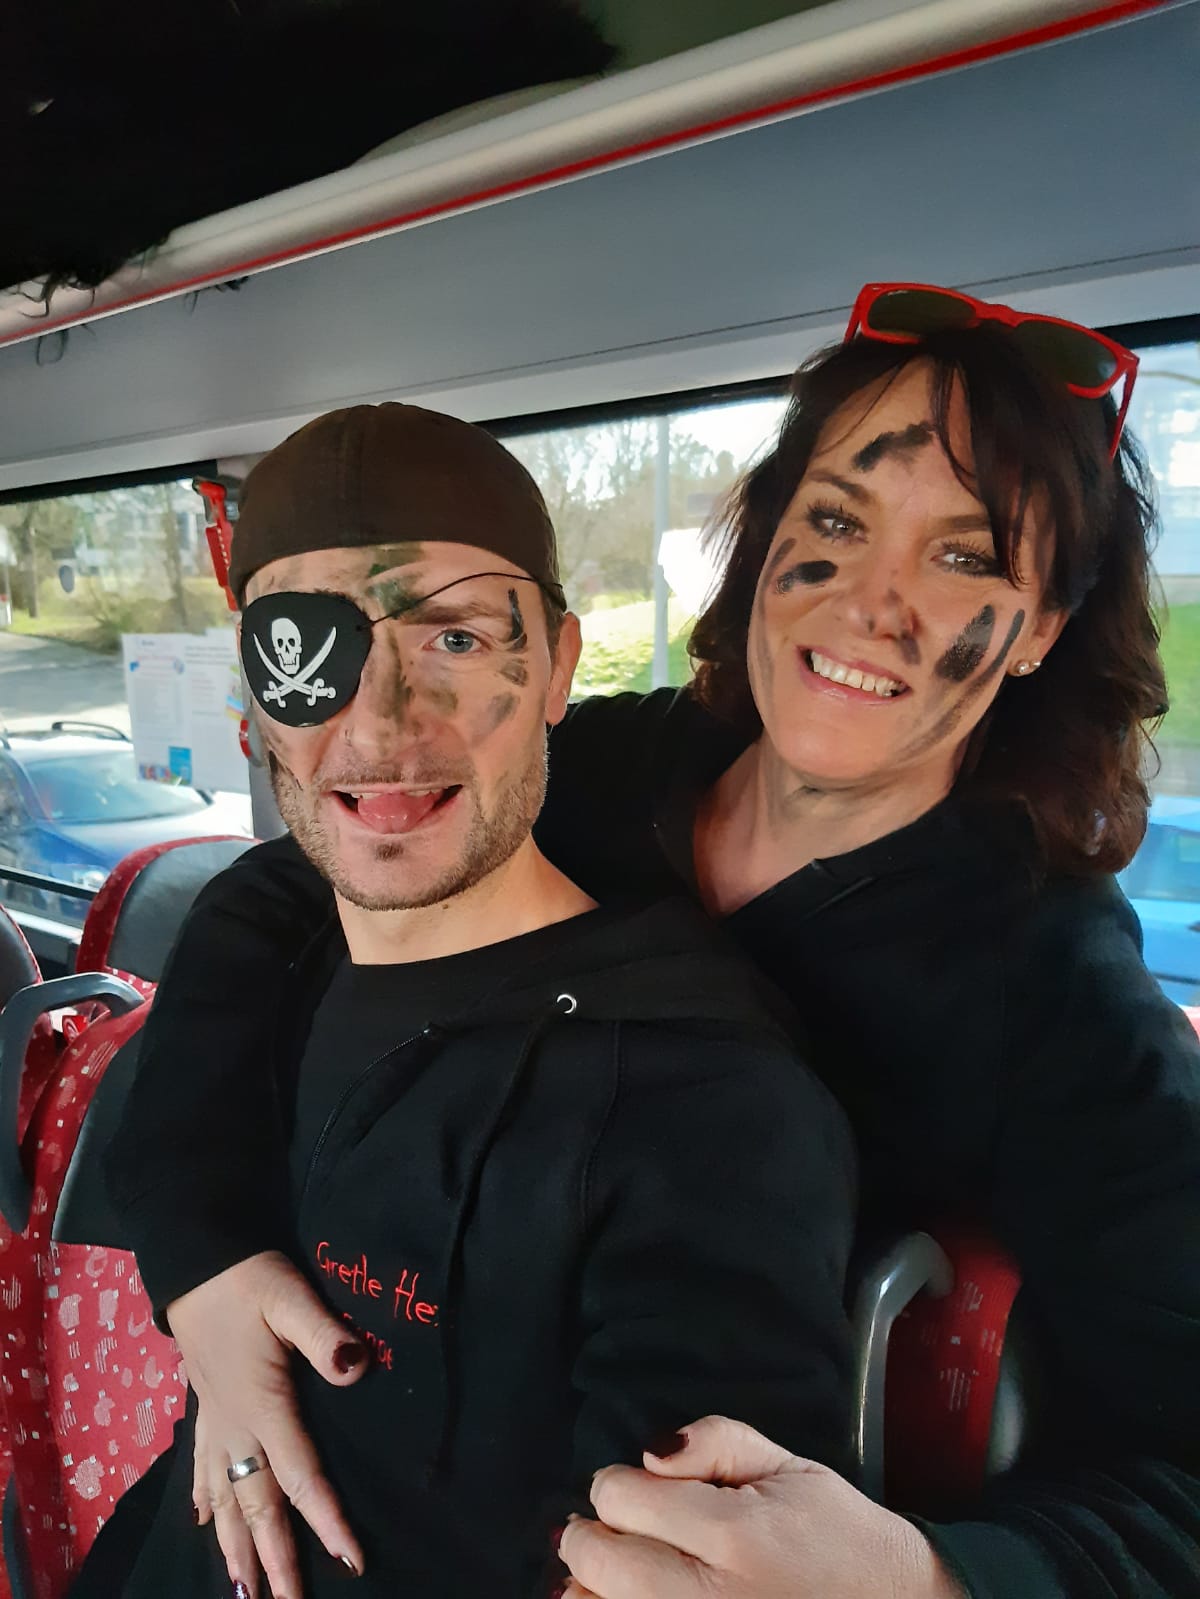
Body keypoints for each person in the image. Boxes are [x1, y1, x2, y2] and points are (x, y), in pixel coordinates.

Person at [105, 284, 1200, 1599]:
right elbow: (276, 892)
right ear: (767, 541)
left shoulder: (1058, 988)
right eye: (838, 522)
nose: (873, 603)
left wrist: (922, 1575)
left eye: (965, 557)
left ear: (1041, 632)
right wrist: (204, 1260)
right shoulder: (610, 771)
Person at [71, 404, 857, 1599]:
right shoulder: (264, 976)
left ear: (558, 669)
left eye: (454, 638)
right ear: (258, 699)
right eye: (307, 646)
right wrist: (198, 1282)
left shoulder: (703, 1106)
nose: (383, 725)